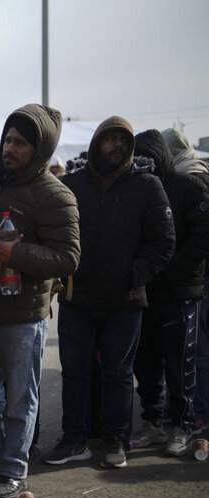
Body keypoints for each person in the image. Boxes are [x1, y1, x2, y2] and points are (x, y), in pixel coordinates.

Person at [0, 105, 80, 498]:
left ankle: (13, 469)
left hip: (23, 315)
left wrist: (18, 255)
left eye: (20, 143)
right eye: (7, 139)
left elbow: (69, 257)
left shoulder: (55, 194)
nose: (9, 148)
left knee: (19, 398)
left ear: (39, 149)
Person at [45, 116, 174, 469]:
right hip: (77, 297)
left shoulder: (147, 185)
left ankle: (117, 439)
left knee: (118, 373)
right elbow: (52, 232)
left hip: (125, 299)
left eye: (124, 140)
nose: (118, 145)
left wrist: (136, 275)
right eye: (111, 138)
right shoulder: (71, 184)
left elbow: (164, 241)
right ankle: (74, 439)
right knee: (74, 371)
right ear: (97, 143)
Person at [129, 129, 209, 454]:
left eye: (148, 157)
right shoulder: (136, 189)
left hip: (180, 292)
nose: (142, 163)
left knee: (181, 363)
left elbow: (202, 236)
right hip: (146, 293)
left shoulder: (188, 186)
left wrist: (171, 272)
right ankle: (153, 422)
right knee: (146, 362)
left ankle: (183, 425)